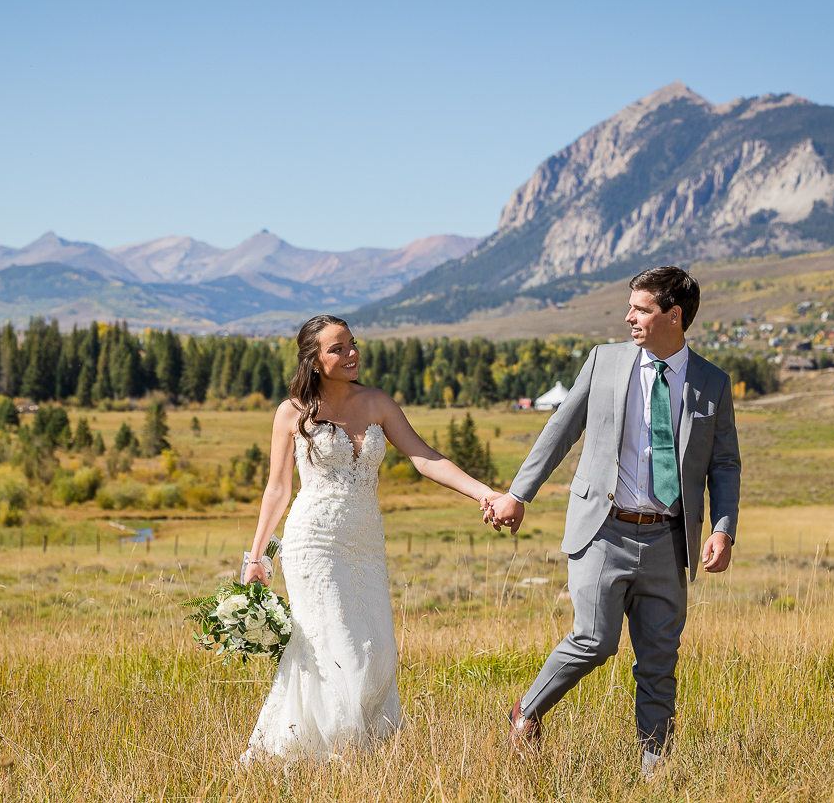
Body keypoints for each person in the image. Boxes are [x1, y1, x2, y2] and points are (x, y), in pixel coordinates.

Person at [485, 266, 741, 777]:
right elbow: (560, 429)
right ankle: (525, 713)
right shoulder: (605, 361)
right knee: (594, 640)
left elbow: (724, 462)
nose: (629, 317)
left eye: (641, 309)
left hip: (671, 539)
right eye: (630, 307)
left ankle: (654, 773)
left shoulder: (713, 381)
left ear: (674, 315)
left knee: (659, 663)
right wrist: (518, 494)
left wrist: (722, 526)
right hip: (604, 529)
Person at [240, 314, 500, 762]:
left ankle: (364, 752)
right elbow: (278, 487)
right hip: (313, 543)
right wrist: (256, 556)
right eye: (337, 348)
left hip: (365, 543)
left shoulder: (378, 402)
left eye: (352, 344)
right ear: (314, 360)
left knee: (377, 648)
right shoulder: (291, 412)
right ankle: (336, 757)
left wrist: (485, 492)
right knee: (335, 647)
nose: (351, 354)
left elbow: (425, 457)